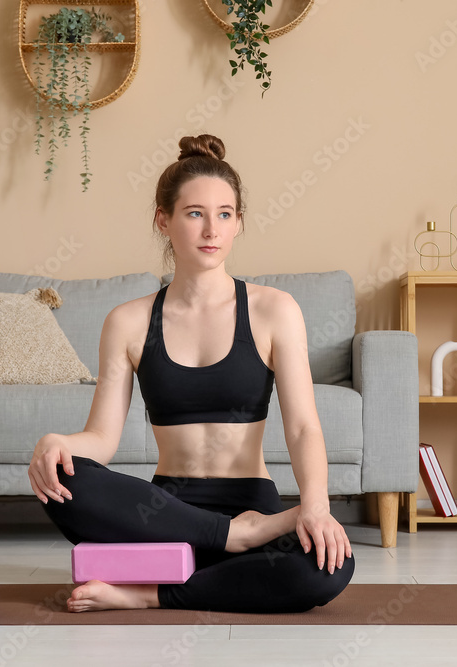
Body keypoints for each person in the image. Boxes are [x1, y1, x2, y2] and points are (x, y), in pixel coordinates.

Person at [27, 134, 354, 614]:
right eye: (194, 213)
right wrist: (55, 443)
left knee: (330, 566)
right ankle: (230, 545)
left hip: (253, 504)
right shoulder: (128, 321)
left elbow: (304, 426)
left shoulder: (273, 310)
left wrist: (316, 508)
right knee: (61, 478)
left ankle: (149, 593)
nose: (211, 230)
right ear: (164, 220)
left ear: (239, 223)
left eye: (225, 214)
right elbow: (101, 438)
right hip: (166, 515)